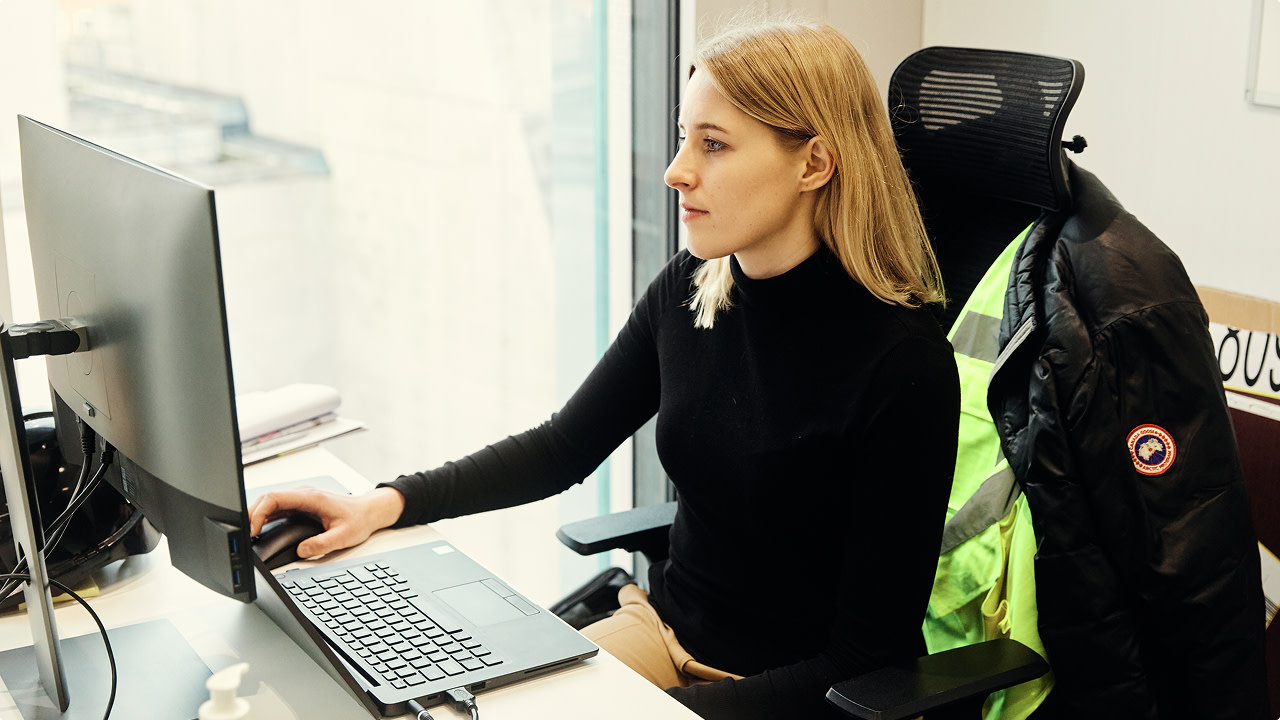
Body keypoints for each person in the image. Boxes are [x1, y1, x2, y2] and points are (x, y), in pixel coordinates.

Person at [251, 18, 960, 720]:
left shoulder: (902, 366)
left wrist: (667, 708)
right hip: (662, 634)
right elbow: (563, 448)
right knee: (424, 705)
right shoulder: (694, 289)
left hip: (791, 694)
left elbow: (864, 662)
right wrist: (382, 503)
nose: (676, 170)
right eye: (685, 137)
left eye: (713, 145)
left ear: (813, 163)